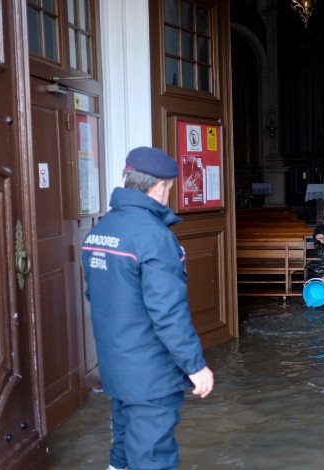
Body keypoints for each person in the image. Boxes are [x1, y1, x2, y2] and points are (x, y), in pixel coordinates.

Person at [81, 146, 214, 470]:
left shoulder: (100, 231)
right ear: (159, 187)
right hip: (150, 371)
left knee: (124, 447)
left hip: (116, 365)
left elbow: (96, 295)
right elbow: (167, 312)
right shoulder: (154, 237)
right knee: (153, 456)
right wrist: (196, 365)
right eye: (169, 187)